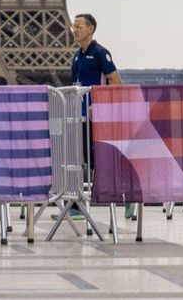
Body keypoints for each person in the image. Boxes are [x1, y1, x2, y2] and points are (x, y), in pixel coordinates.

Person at [69, 13, 125, 218]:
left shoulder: (101, 53)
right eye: (73, 26)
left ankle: (127, 196)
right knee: (81, 159)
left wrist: (98, 105)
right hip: (79, 117)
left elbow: (116, 82)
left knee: (100, 160)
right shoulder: (77, 56)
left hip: (96, 118)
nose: (75, 29)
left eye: (79, 26)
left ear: (90, 29)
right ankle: (76, 205)